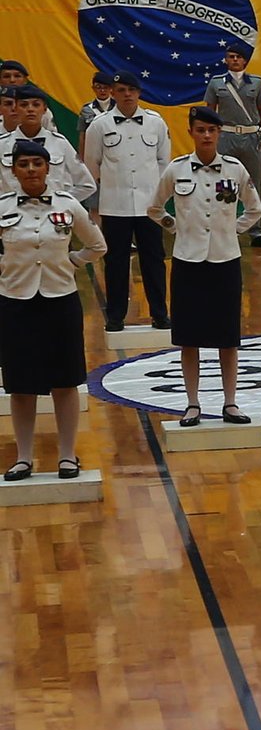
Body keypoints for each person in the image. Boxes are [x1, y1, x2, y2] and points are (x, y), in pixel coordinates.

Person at [0, 138, 101, 480]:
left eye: (37, 164)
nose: (31, 170)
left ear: (47, 168)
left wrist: (73, 262)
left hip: (60, 301)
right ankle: (23, 458)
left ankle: (67, 456)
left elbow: (97, 245)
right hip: (15, 302)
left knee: (65, 380)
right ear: (13, 170)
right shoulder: (2, 207)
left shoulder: (68, 205)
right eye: (23, 164)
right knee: (20, 384)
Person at [153, 106, 260, 425]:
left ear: (219, 133)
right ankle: (192, 403)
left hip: (225, 260)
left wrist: (232, 230)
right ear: (191, 132)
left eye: (212, 130)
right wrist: (176, 228)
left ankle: (230, 403)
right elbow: (154, 208)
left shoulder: (235, 169)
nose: (206, 135)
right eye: (200, 130)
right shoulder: (176, 170)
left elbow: (254, 209)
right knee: (189, 337)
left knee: (228, 337)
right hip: (188, 261)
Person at [82, 69, 171, 332]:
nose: (127, 95)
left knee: (154, 260)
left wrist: (158, 198)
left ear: (139, 92)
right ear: (113, 93)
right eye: (121, 90)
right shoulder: (100, 125)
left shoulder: (156, 122)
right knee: (115, 262)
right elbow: (92, 164)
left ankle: (160, 313)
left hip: (149, 206)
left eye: (131, 90)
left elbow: (163, 162)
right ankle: (116, 316)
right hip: (115, 205)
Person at [201, 46, 261, 247]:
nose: (234, 60)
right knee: (223, 182)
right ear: (226, 60)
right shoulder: (216, 83)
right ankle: (223, 227)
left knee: (254, 183)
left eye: (238, 57)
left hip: (250, 137)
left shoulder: (256, 82)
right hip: (226, 136)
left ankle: (256, 231)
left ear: (245, 60)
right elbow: (210, 112)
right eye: (230, 57)